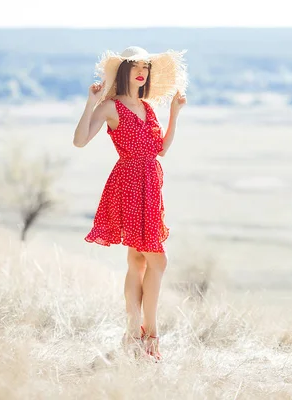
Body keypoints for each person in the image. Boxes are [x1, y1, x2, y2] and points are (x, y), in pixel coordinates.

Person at [72, 46, 187, 361]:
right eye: (134, 66)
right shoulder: (110, 107)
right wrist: (90, 103)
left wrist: (174, 114)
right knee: (158, 262)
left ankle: (132, 335)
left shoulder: (147, 108)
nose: (141, 72)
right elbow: (80, 140)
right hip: (130, 184)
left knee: (138, 261)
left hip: (151, 185)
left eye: (146, 67)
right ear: (122, 71)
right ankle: (149, 335)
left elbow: (160, 149)